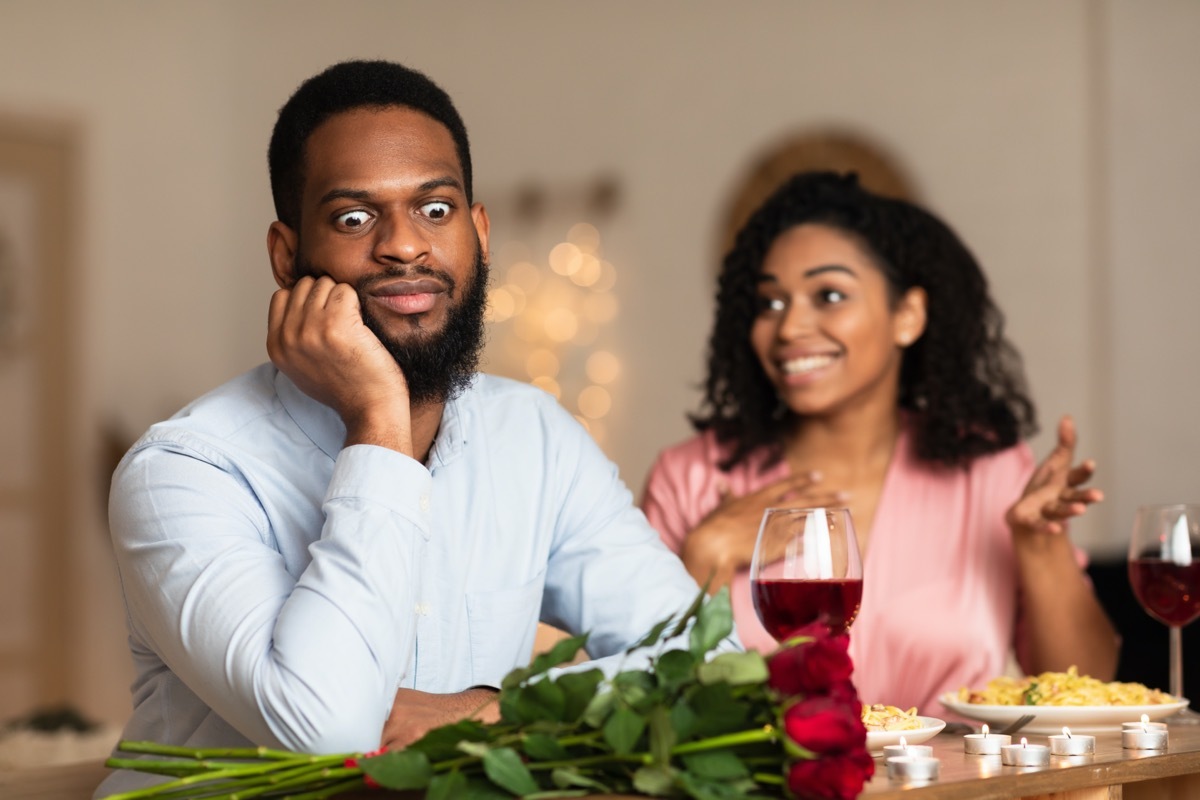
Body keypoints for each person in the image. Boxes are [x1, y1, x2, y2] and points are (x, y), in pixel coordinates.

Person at [98, 60, 711, 796]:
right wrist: (379, 420)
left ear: (480, 233)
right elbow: (330, 731)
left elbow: (703, 665)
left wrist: (489, 711)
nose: (405, 245)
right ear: (287, 255)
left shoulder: (535, 439)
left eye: (436, 210)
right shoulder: (182, 471)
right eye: (354, 218)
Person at [641, 171, 1119, 718]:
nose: (790, 326)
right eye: (770, 303)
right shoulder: (690, 478)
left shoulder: (987, 470)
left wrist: (1041, 547)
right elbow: (638, 702)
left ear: (908, 316)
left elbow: (1089, 684)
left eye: (830, 295)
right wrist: (702, 557)